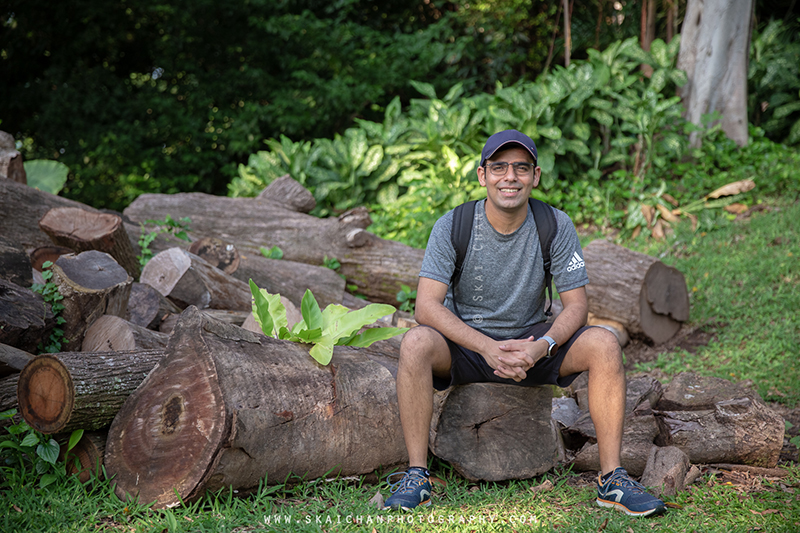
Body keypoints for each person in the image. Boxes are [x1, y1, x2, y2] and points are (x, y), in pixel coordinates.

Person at [382, 130, 666, 517]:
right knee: (415, 342)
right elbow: (426, 307)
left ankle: (612, 479)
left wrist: (541, 346)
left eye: (520, 168)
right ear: (483, 176)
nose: (510, 177)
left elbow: (576, 306)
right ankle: (418, 476)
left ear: (535, 176)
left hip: (534, 346)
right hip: (470, 349)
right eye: (499, 167)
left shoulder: (555, 225)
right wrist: (485, 346)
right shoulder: (454, 225)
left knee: (604, 343)